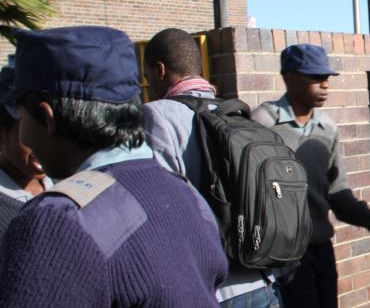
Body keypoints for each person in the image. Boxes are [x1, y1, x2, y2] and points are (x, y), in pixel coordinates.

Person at [0, 26, 228, 306]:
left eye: (22, 117)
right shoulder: (187, 194)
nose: (23, 134)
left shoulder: (58, 221)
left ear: (48, 118)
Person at [252, 44, 370, 308]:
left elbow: (337, 192)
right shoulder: (263, 125)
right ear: (290, 77)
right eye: (316, 77)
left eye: (327, 78)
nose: (325, 85)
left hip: (320, 252)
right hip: (281, 259)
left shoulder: (327, 129)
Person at [143, 27, 280, 308]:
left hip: (209, 291)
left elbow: (156, 208)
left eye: (146, 74)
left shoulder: (156, 117)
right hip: (263, 283)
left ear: (159, 70)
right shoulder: (236, 113)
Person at [0, 66, 52, 242]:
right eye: (30, 130)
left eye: (50, 128)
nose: (43, 143)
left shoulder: (66, 182)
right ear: (1, 135)